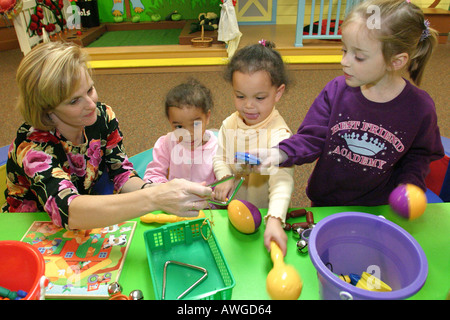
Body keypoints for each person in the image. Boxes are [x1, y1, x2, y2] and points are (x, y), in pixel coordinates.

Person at [2, 41, 212, 230]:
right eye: (75, 101)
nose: (91, 104)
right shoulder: (31, 145)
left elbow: (121, 172)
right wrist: (155, 197)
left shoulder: (101, 116)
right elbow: (68, 210)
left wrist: (161, 191)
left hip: (87, 215)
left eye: (90, 89)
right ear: (46, 110)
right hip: (29, 228)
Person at [255, 0, 444, 208]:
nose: (344, 61)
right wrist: (280, 152)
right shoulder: (336, 90)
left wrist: (410, 184)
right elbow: (312, 137)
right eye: (344, 50)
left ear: (396, 61)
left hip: (378, 205)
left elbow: (420, 153)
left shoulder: (419, 108)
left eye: (359, 57)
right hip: (327, 201)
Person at [213, 40, 294, 255]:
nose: (248, 105)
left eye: (259, 98)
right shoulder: (230, 123)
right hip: (232, 209)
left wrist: (275, 218)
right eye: (240, 96)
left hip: (263, 214)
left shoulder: (280, 136)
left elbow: (282, 182)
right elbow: (220, 157)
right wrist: (225, 177)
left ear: (277, 93)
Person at [143, 78, 218, 185]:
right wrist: (164, 188)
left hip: (207, 199)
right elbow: (153, 174)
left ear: (207, 117)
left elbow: (224, 179)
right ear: (170, 122)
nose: (188, 134)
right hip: (174, 199)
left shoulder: (218, 148)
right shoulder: (167, 143)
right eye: (179, 127)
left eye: (195, 124)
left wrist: (216, 190)